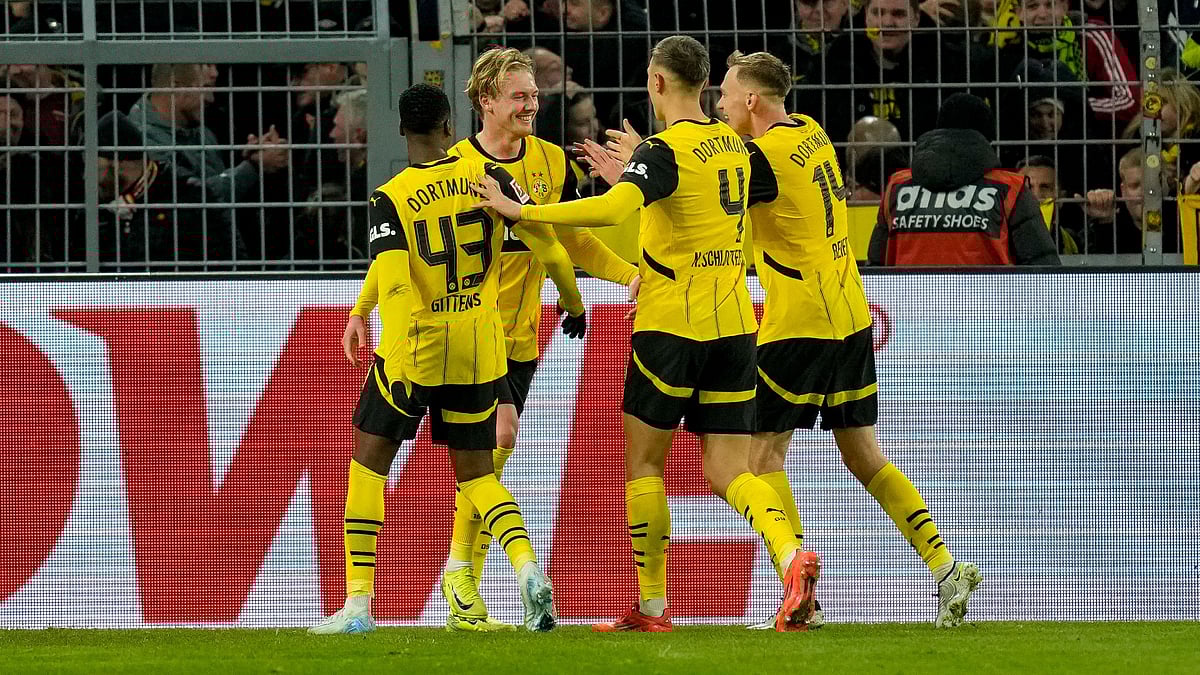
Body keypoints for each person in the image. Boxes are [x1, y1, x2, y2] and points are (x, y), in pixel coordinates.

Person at [474, 35, 818, 633]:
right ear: (707, 83)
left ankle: (653, 607)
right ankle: (792, 558)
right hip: (737, 325)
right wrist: (636, 169)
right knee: (730, 469)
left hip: (670, 327)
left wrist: (522, 211)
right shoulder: (735, 146)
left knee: (645, 464)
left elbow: (610, 213)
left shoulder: (662, 151)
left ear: (657, 83)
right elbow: (693, 194)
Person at [718, 49, 983, 630]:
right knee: (865, 457)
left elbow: (710, 195)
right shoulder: (811, 133)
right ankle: (945, 567)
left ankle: (797, 592)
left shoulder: (762, 160)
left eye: (725, 95)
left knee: (759, 457)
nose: (718, 105)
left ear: (752, 102)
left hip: (798, 326)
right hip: (849, 315)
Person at [309, 83, 586, 635]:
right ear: (447, 127)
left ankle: (358, 605)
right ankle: (528, 569)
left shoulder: (391, 196)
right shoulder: (490, 181)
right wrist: (574, 305)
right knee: (477, 474)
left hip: (417, 344)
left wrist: (380, 331)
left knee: (368, 465)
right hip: (481, 346)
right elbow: (552, 247)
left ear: (403, 131)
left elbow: (393, 279)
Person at [436, 46, 639, 630]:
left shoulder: (551, 161)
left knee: (488, 461)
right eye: (519, 96)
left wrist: (629, 275)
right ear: (486, 103)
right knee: (498, 436)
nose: (532, 105)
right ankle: (466, 575)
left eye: (534, 95)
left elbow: (565, 239)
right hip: (467, 333)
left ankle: (462, 584)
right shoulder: (456, 168)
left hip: (522, 337)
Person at [869, 93, 1061, 265]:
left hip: (907, 303)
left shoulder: (898, 187)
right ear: (987, 139)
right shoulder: (1009, 189)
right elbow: (1044, 270)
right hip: (989, 303)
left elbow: (875, 269)